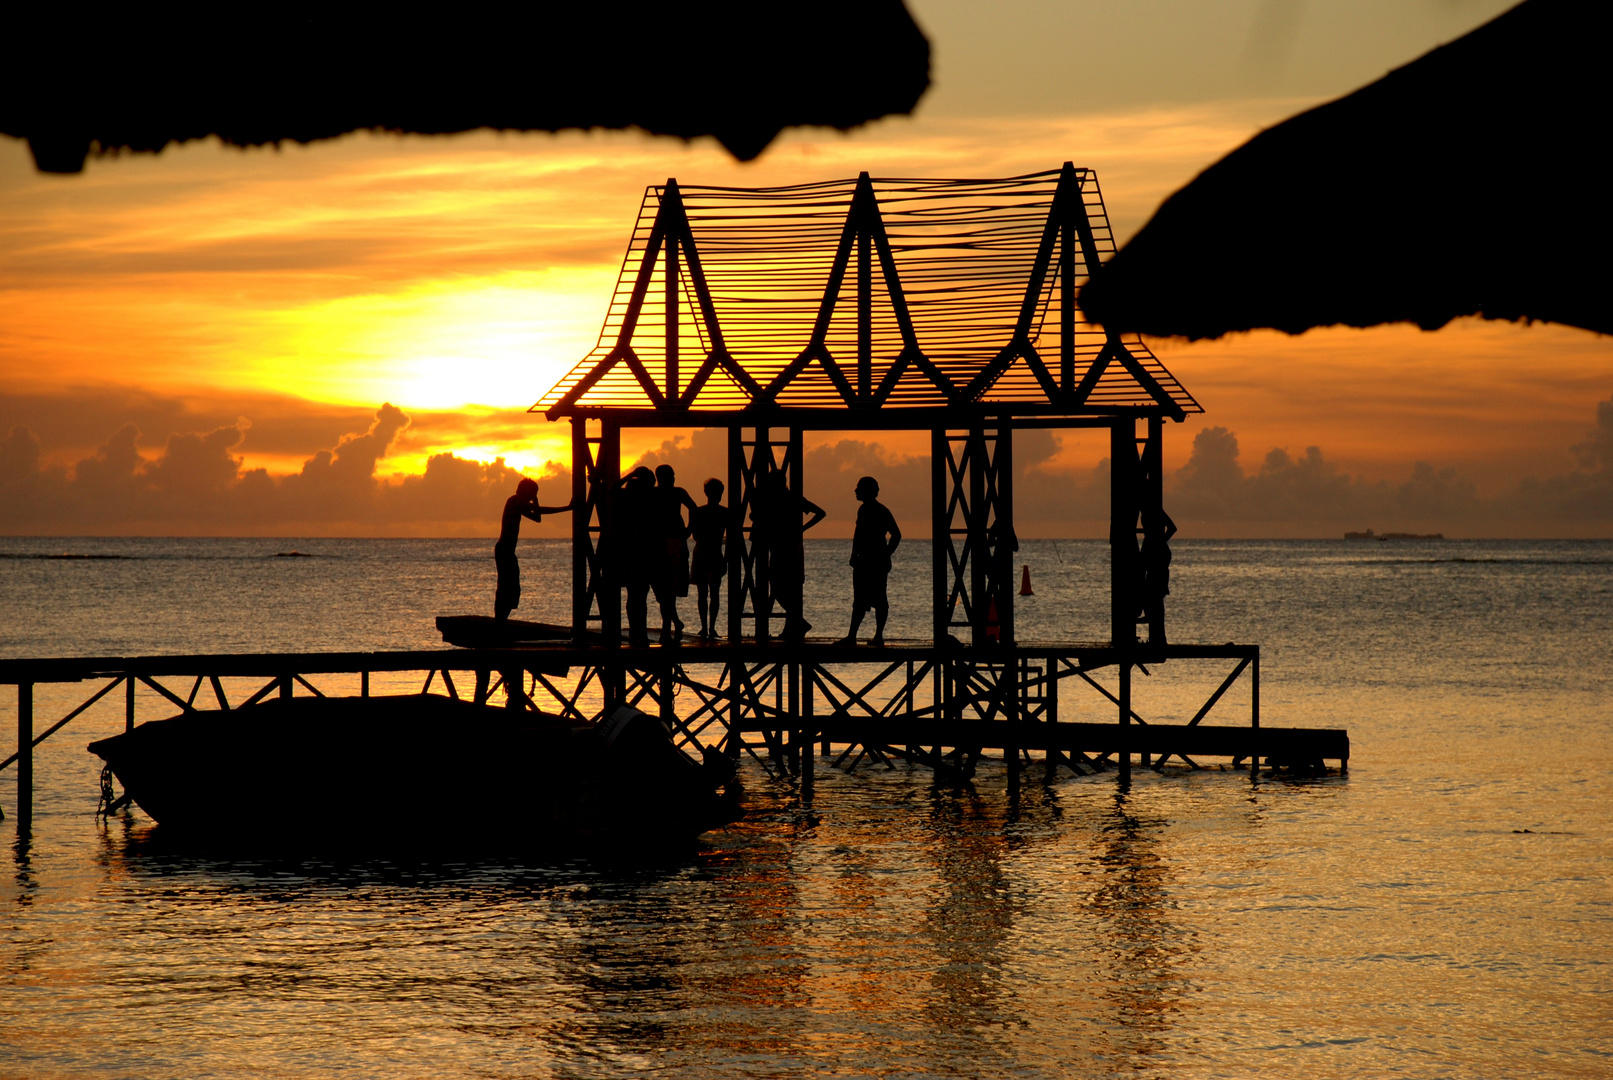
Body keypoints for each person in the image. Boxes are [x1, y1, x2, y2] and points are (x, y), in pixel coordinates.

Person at [751, 469, 824, 641]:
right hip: (789, 547)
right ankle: (792, 627)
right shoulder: (791, 498)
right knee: (786, 589)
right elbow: (820, 513)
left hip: (782, 549)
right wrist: (802, 529)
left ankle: (798, 623)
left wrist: (803, 528)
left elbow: (820, 513)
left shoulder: (778, 499)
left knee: (778, 589)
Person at [493, 478, 574, 621]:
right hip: (504, 549)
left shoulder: (520, 504)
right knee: (506, 585)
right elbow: (539, 511)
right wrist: (567, 508)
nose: (533, 496)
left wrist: (536, 499)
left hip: (508, 551)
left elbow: (537, 518)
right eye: (533, 492)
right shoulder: (515, 501)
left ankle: (502, 618)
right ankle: (499, 619)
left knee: (513, 587)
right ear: (525, 490)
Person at [837, 476, 901, 647]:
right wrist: (854, 554)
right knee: (863, 599)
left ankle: (872, 636)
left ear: (867, 490)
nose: (855, 491)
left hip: (873, 561)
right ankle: (857, 636)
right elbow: (859, 535)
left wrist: (885, 554)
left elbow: (896, 534)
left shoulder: (879, 510)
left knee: (877, 599)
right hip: (865, 561)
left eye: (859, 488)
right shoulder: (864, 509)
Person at [653, 464, 698, 642]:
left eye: (673, 475)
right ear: (660, 478)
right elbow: (693, 508)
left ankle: (667, 628)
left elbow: (693, 508)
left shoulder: (677, 492)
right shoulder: (654, 493)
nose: (673, 478)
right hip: (660, 542)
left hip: (673, 542)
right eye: (670, 476)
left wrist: (689, 529)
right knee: (661, 589)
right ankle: (675, 623)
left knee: (668, 588)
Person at [615, 467, 659, 646]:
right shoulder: (637, 496)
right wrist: (631, 475)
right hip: (637, 550)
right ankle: (638, 632)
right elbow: (612, 490)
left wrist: (629, 475)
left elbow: (613, 489)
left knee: (637, 595)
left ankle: (637, 632)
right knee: (637, 595)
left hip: (639, 550)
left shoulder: (641, 497)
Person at [688, 477, 728, 639]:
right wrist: (726, 558)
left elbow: (695, 535)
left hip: (701, 552)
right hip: (715, 553)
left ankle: (705, 627)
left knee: (702, 593)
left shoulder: (698, 512)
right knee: (714, 593)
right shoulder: (725, 513)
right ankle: (711, 628)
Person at [1139, 505, 1177, 649]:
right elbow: (1172, 529)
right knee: (1153, 594)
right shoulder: (1151, 510)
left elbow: (1172, 528)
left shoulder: (1155, 510)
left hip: (1157, 553)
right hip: (1155, 551)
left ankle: (1159, 638)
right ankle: (1157, 637)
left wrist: (1159, 542)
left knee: (1154, 593)